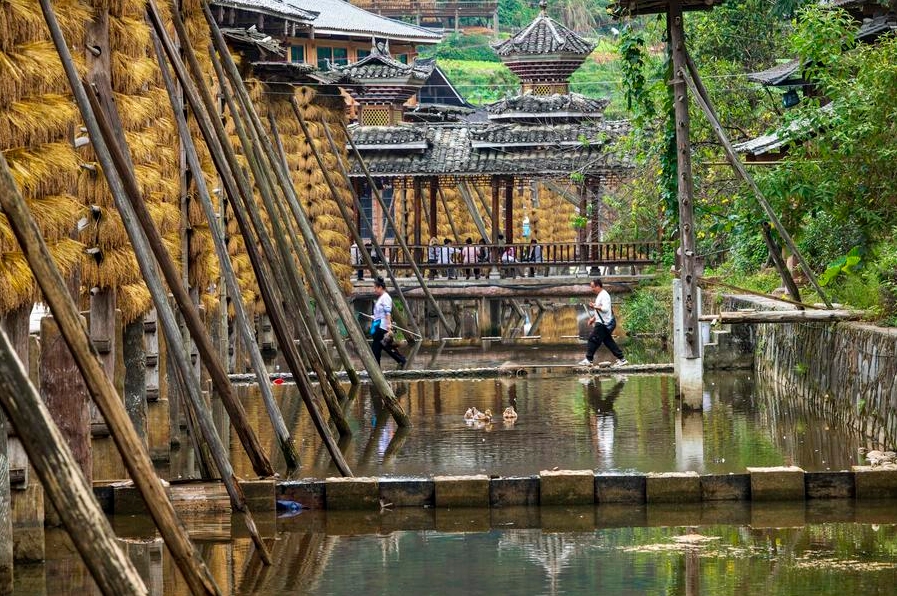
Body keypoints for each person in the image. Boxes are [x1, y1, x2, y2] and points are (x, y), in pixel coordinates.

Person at [579, 278, 627, 367]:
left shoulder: (604, 295)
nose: (592, 289)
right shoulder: (601, 295)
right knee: (608, 341)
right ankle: (622, 359)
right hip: (602, 322)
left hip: (603, 323)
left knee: (592, 339)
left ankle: (589, 359)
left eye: (593, 287)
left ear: (598, 286)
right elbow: (601, 311)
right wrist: (593, 318)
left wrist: (594, 306)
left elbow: (605, 309)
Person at [371, 277, 406, 368]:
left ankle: (376, 366)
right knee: (383, 346)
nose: (374, 289)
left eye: (375, 287)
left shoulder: (385, 298)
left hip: (382, 326)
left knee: (377, 346)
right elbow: (380, 312)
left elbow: (387, 312)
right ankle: (400, 359)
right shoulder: (381, 298)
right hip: (378, 324)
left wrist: (389, 326)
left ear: (380, 287)